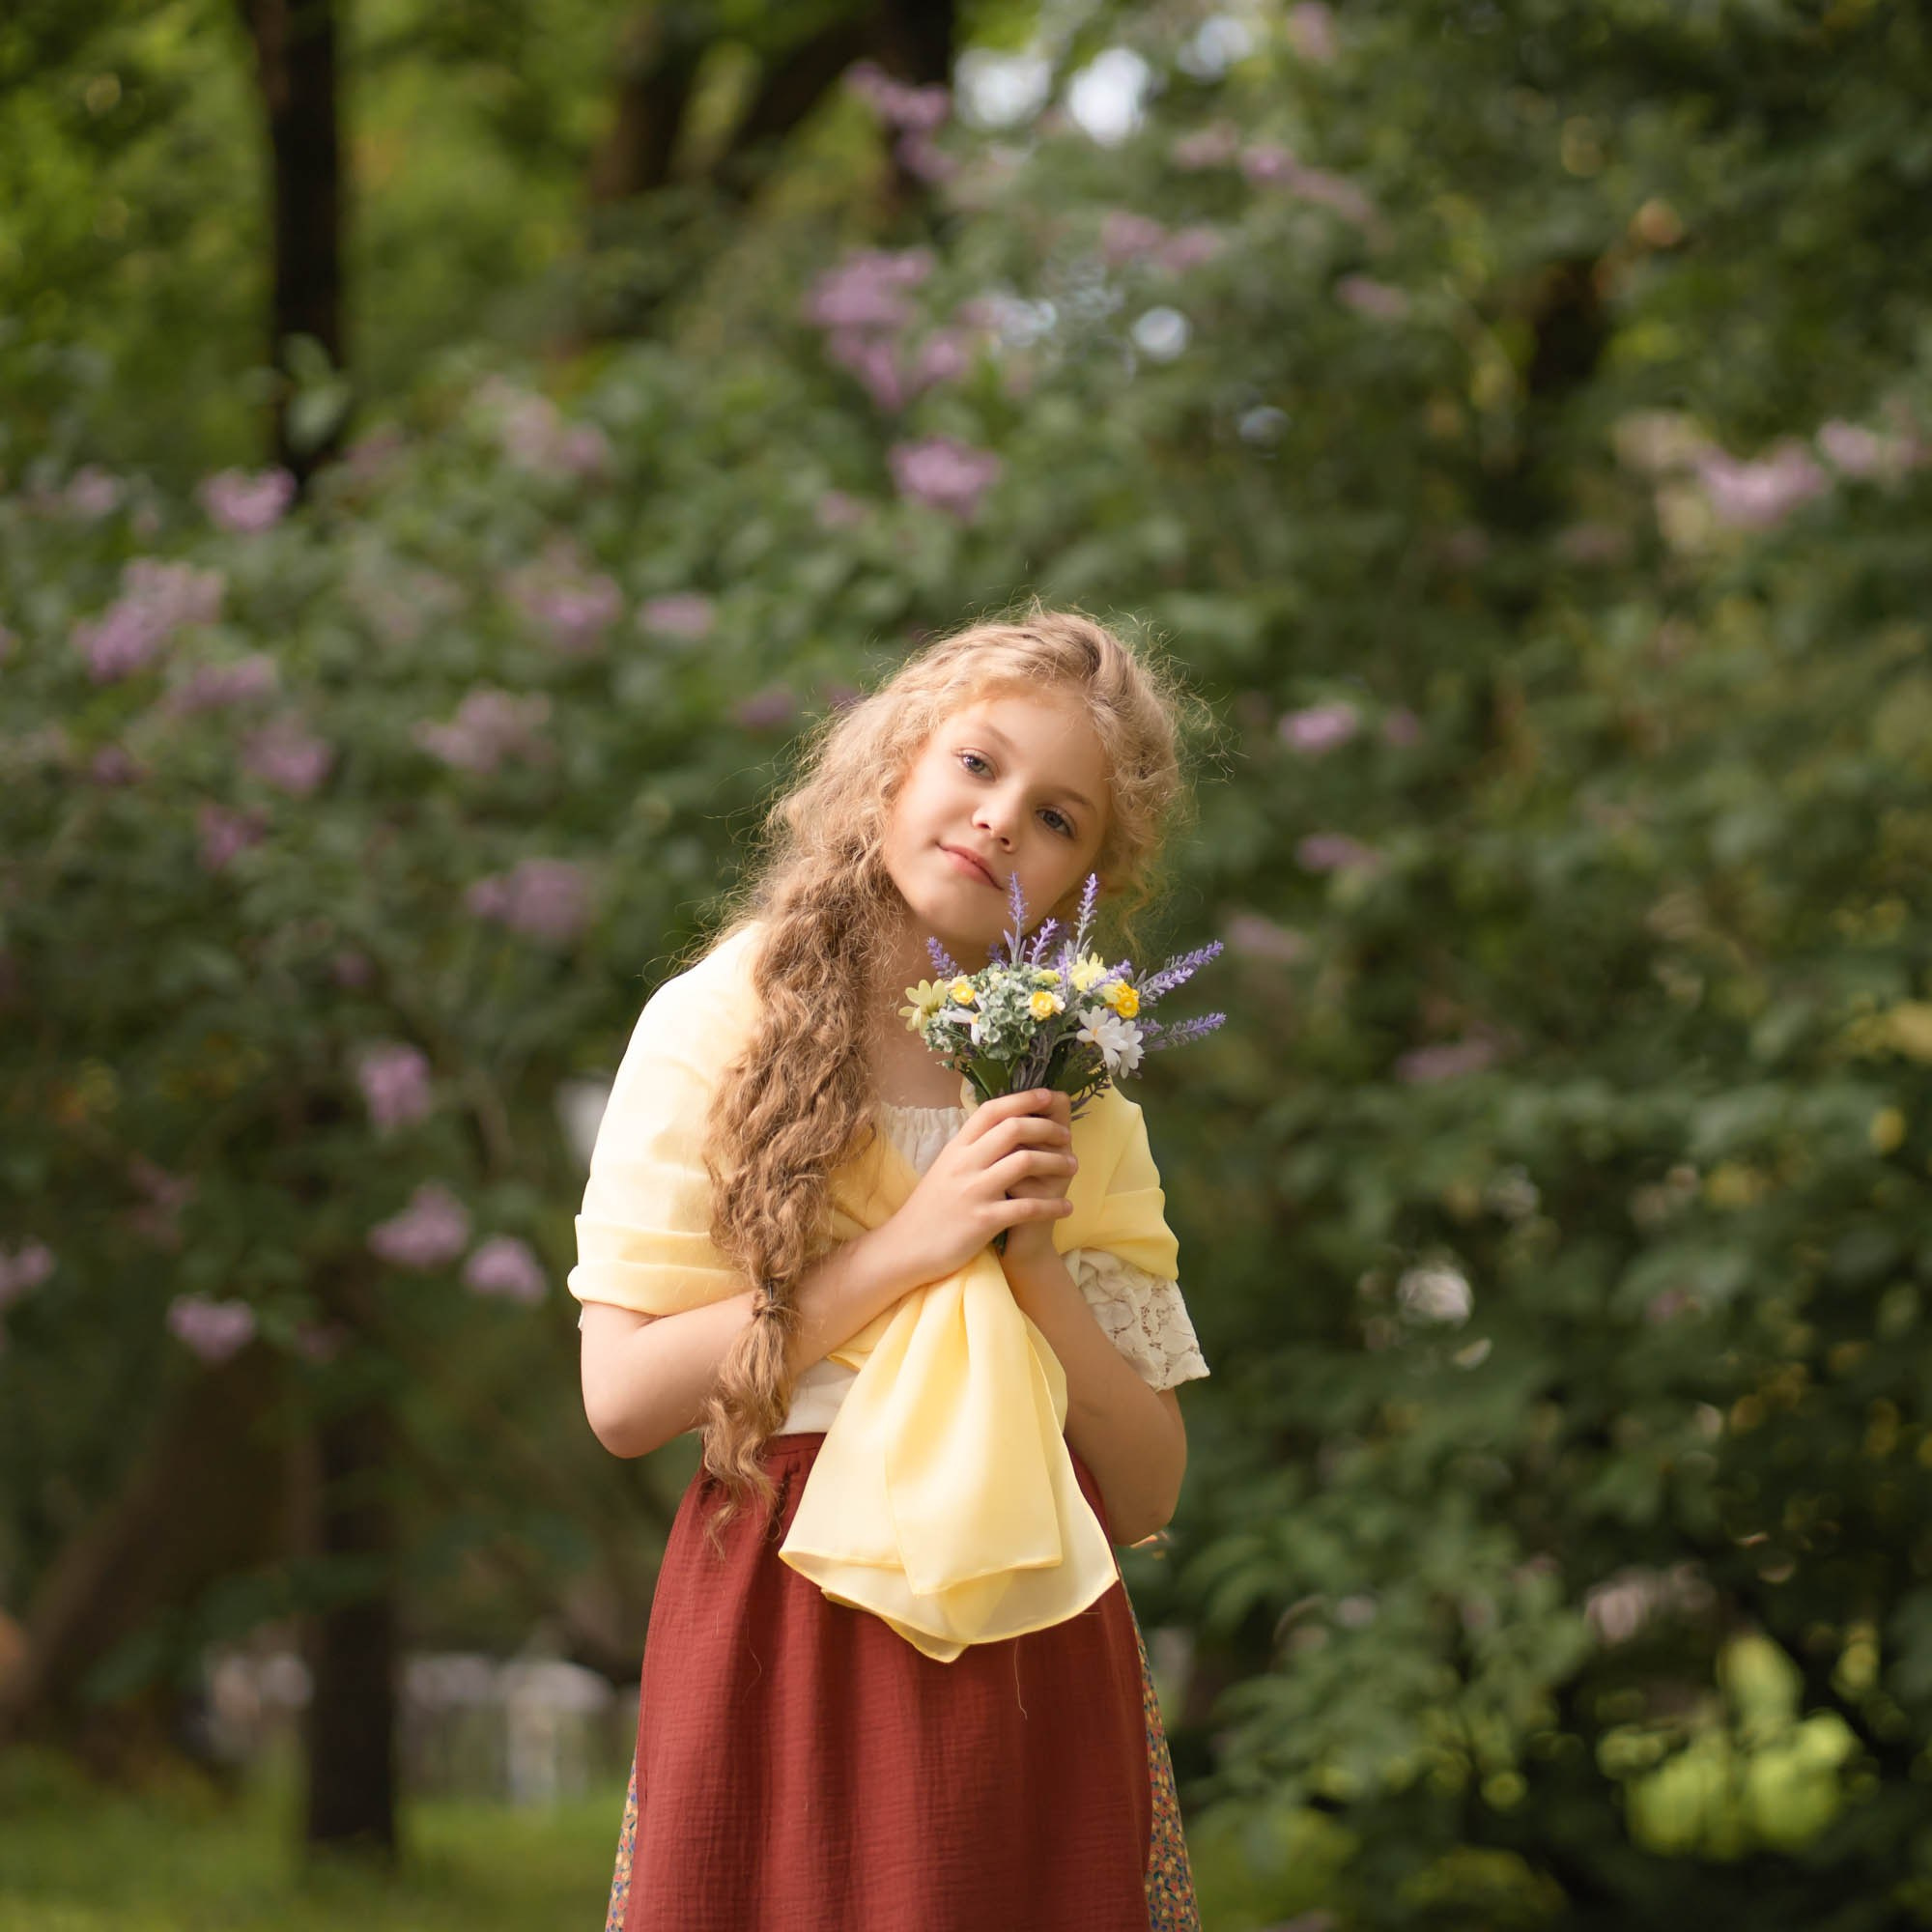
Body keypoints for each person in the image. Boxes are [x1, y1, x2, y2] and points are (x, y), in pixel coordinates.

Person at [572, 607, 1211, 1931]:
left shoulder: (1074, 1085)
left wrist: (1031, 1265)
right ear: (897, 763)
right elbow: (625, 1397)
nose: (999, 820)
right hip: (783, 1605)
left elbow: (1147, 1488)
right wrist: (916, 1249)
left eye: (1057, 819)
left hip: (1034, 1614)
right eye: (978, 766)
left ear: (1090, 880)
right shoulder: (717, 1024)